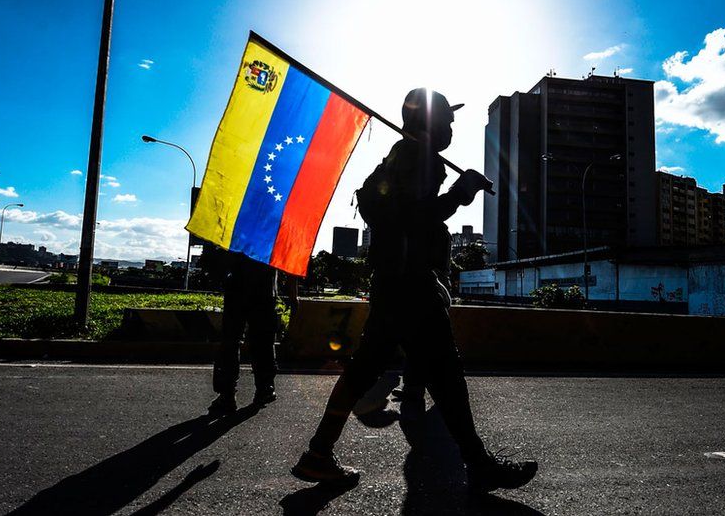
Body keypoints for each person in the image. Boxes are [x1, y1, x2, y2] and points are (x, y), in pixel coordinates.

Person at [291, 88, 538, 493]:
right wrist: (460, 194)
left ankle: (319, 452)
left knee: (368, 370)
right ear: (429, 121)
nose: (453, 128)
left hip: (394, 282)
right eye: (448, 120)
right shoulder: (419, 159)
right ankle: (478, 464)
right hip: (409, 286)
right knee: (446, 374)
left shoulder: (403, 155)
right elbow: (412, 219)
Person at [209, 251, 297, 413]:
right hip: (264, 293)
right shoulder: (275, 232)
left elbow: (223, 257)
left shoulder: (239, 229)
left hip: (237, 291)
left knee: (231, 341)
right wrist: (293, 295)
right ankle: (265, 388)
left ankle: (227, 394)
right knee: (262, 342)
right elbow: (290, 259)